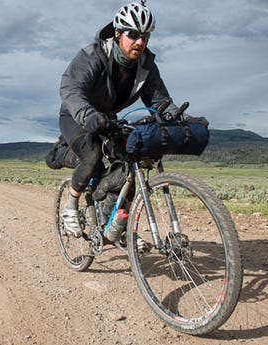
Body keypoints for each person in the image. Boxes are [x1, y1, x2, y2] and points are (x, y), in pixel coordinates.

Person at [59, 1, 181, 237]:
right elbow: (70, 87)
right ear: (117, 33)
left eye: (145, 36)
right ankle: (71, 206)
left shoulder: (145, 65)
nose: (140, 42)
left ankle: (114, 225)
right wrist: (87, 114)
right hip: (76, 114)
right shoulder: (94, 55)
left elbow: (161, 103)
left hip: (107, 119)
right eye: (133, 35)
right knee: (92, 155)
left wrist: (180, 118)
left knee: (129, 165)